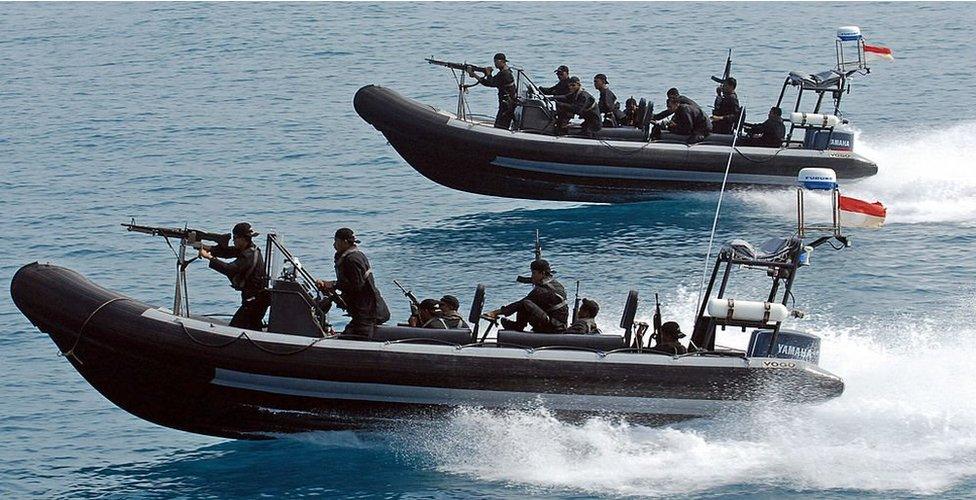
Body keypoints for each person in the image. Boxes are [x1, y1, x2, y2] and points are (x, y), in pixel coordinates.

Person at [316, 228, 391, 336]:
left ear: (344, 242)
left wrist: (333, 285)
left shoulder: (352, 259)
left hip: (367, 313)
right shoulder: (353, 256)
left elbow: (356, 286)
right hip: (365, 310)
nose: (334, 245)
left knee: (352, 337)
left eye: (336, 241)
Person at [198, 222, 269, 331]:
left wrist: (209, 257)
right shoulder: (249, 249)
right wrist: (204, 247)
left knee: (236, 329)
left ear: (243, 239)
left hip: (254, 302)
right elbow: (226, 252)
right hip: (256, 300)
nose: (233, 241)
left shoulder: (248, 256)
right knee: (252, 326)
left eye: (235, 238)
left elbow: (229, 269)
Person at [486, 259, 568, 333]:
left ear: (542, 273)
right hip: (559, 323)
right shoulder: (556, 284)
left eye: (534, 273)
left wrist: (495, 313)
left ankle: (518, 326)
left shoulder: (541, 291)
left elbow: (519, 304)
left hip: (554, 325)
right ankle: (518, 325)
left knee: (525, 303)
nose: (532, 276)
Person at [467, 53, 517, 130]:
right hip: (507, 105)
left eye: (496, 61)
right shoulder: (505, 72)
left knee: (500, 127)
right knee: (500, 125)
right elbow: (491, 82)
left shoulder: (504, 74)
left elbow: (489, 83)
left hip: (506, 106)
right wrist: (474, 74)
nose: (495, 63)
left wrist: (488, 74)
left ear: (502, 61)